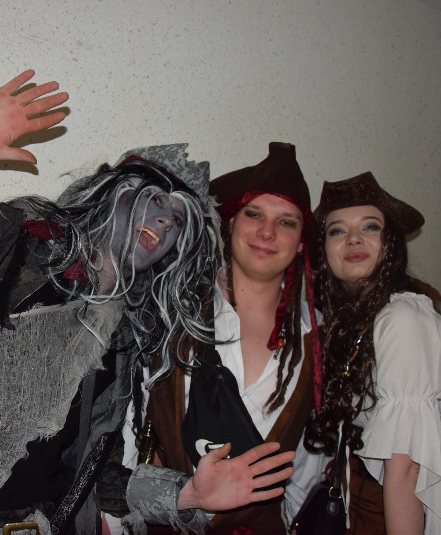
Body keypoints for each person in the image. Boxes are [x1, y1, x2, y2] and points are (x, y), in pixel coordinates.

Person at [0, 71, 295, 535]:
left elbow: (89, 476)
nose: (165, 221)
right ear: (112, 194)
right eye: (154, 199)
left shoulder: (124, 332)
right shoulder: (6, 249)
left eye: (177, 219)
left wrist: (186, 494)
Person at [304, 172, 441, 534]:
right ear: (324, 251)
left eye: (370, 227)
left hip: (425, 508)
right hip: (370, 499)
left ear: (391, 244)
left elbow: (407, 468)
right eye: (337, 230)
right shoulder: (348, 319)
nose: (353, 238)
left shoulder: (403, 318)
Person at [137, 142, 322, 534]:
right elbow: (125, 437)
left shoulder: (315, 338)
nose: (267, 232)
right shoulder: (172, 312)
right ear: (231, 222)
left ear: (302, 242)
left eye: (287, 222)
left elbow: (309, 462)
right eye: (254, 214)